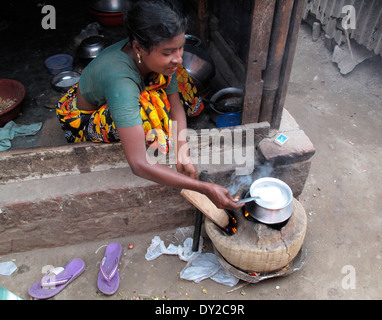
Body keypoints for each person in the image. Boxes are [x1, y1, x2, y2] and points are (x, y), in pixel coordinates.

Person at [56, 0, 242, 210]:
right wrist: (204, 188)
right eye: (168, 52)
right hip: (82, 121)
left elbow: (175, 106)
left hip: (123, 91)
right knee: (148, 110)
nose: (178, 58)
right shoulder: (121, 80)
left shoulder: (160, 61)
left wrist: (183, 153)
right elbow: (138, 164)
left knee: (182, 84)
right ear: (138, 48)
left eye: (181, 48)